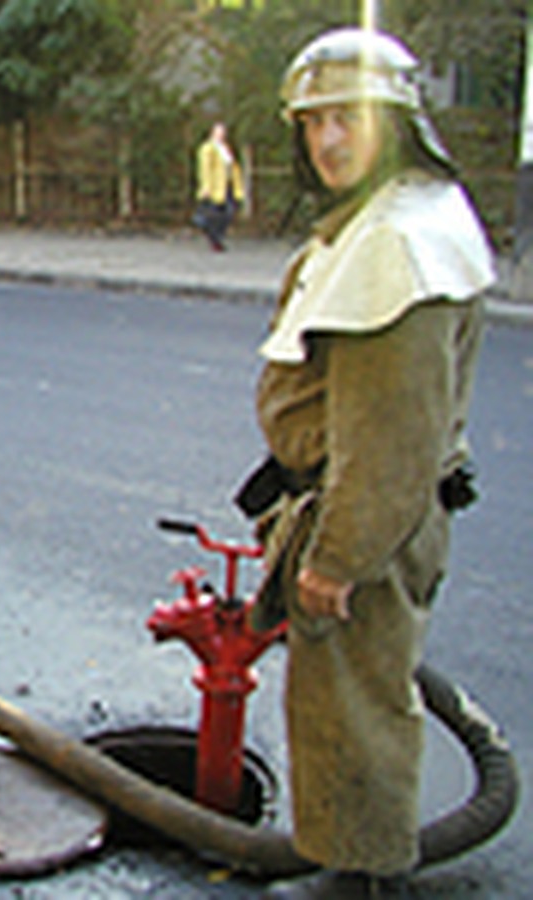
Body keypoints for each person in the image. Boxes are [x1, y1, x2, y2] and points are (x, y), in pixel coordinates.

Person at [235, 28, 495, 899]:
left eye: (348, 118)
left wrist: (339, 559)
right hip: (355, 507)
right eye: (312, 123)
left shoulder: (399, 245)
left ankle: (361, 875)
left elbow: (393, 442)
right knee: (349, 698)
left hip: (365, 521)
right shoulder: (394, 216)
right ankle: (354, 855)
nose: (328, 140)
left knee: (353, 709)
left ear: (399, 121)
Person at [193, 121, 245, 252]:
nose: (221, 134)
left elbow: (232, 166)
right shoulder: (207, 148)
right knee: (215, 213)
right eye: (219, 132)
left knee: (228, 212)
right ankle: (215, 239)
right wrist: (206, 186)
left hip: (228, 184)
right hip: (215, 187)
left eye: (223, 132)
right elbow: (204, 168)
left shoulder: (226, 148)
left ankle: (216, 236)